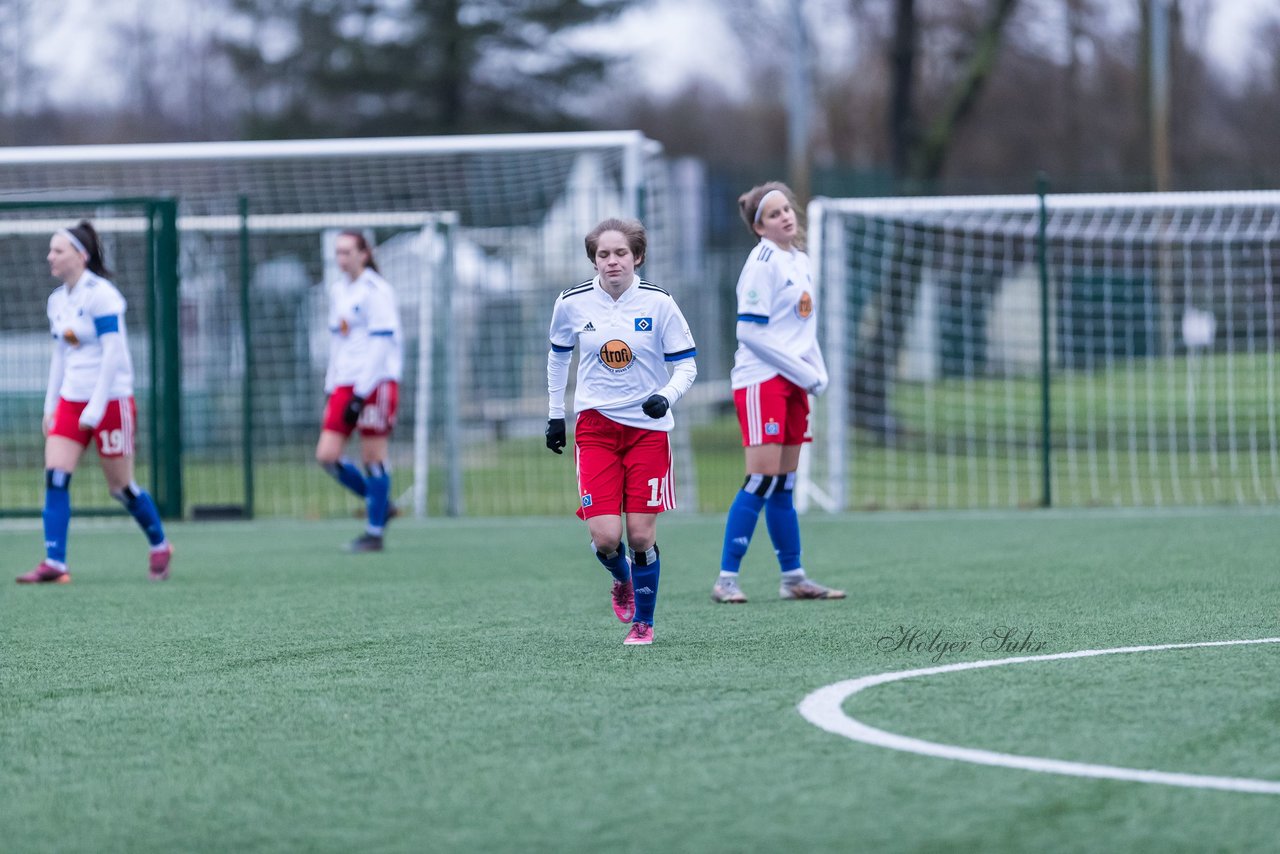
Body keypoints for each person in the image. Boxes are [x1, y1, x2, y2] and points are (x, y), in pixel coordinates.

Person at [545, 217, 697, 645]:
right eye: (603, 255)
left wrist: (666, 395)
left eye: (621, 254)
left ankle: (643, 623)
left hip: (647, 430)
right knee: (607, 537)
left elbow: (687, 364)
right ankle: (622, 578)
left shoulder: (659, 303)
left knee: (640, 534)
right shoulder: (571, 303)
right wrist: (556, 415)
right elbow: (558, 357)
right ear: (593, 260)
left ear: (638, 257)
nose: (612, 262)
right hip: (595, 427)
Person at [17, 221, 173, 584]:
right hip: (72, 399)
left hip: (111, 401)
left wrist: (98, 405)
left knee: (120, 487)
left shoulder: (102, 295)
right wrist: (50, 404)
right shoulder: (57, 300)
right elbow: (60, 355)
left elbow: (113, 353)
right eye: (50, 250)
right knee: (55, 475)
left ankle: (159, 544)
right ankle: (55, 562)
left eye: (58, 250)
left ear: (81, 256)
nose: (50, 257)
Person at [711, 182, 845, 603]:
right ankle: (726, 580)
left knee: (784, 484)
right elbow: (749, 333)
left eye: (787, 209)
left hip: (793, 381)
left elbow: (804, 331)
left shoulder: (800, 260)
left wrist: (816, 372)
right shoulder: (762, 264)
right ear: (759, 227)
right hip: (762, 381)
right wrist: (802, 373)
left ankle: (794, 577)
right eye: (774, 214)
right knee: (761, 479)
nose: (786, 216)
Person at [315, 230, 403, 552]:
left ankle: (374, 531)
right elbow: (338, 343)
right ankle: (380, 503)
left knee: (373, 457)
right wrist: (331, 384)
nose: (342, 259)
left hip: (374, 383)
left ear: (364, 254)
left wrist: (362, 391)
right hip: (344, 383)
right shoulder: (338, 290)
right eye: (338, 253)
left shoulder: (376, 291)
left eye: (348, 252)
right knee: (326, 456)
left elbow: (381, 344)